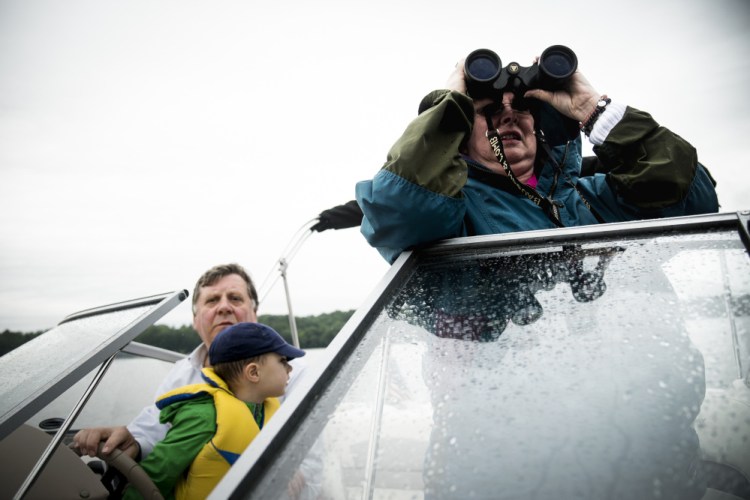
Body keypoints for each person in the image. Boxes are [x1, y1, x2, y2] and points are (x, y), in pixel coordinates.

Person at [355, 48, 720, 264]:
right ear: (462, 134)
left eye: (524, 107)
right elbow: (400, 209)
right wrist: (451, 106)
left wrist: (593, 110)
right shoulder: (455, 217)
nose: (509, 114)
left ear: (541, 124)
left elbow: (693, 199)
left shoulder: (594, 198)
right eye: (489, 109)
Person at [73, 263, 305, 459]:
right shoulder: (180, 375)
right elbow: (153, 429)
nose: (224, 307)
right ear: (196, 320)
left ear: (254, 313)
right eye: (212, 300)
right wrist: (130, 443)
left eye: (235, 298)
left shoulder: (295, 375)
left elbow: (309, 464)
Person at [122, 322, 305, 499]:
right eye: (283, 361)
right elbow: (156, 474)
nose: (290, 368)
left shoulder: (263, 409)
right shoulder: (203, 417)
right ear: (254, 373)